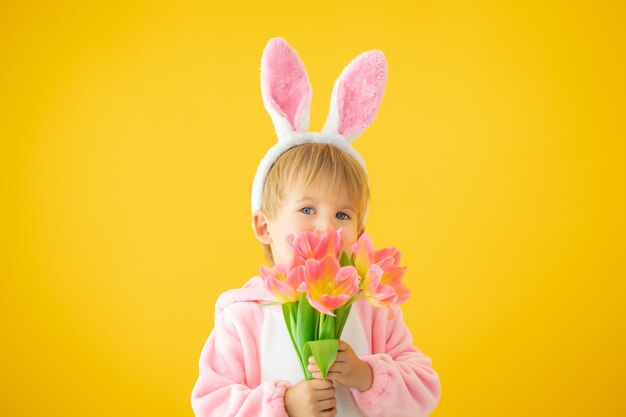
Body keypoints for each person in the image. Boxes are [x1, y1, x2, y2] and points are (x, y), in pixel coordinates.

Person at [191, 38, 441, 417]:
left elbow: (424, 390)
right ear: (263, 226)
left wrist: (368, 376)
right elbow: (211, 405)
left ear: (359, 233)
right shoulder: (244, 316)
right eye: (307, 209)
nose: (325, 227)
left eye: (343, 216)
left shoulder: (373, 311)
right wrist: (283, 404)